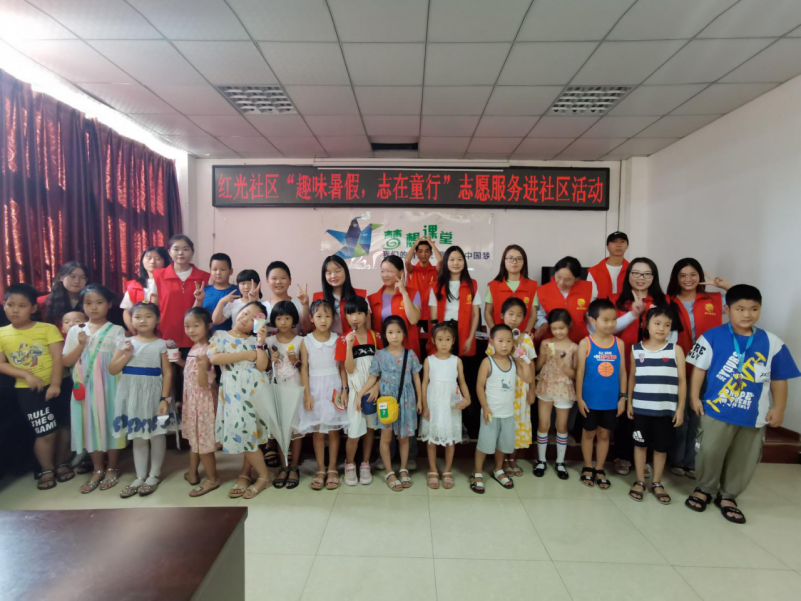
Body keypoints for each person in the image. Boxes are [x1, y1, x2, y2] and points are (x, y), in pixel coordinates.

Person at [684, 285, 800, 525]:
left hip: (753, 415)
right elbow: (699, 369)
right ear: (727, 309)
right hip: (716, 409)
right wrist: (694, 397)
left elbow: (779, 378)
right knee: (709, 451)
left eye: (754, 309)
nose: (747, 314)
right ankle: (704, 488)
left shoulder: (772, 342)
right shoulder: (711, 337)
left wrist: (779, 408)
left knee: (744, 458)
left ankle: (728, 496)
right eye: (740, 309)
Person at [612, 258, 680, 477]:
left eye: (647, 274)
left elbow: (673, 332)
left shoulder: (664, 300)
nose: (641, 278)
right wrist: (632, 312)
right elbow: (608, 328)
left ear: (654, 277)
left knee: (652, 415)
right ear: (628, 275)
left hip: (655, 368)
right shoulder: (616, 300)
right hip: (623, 363)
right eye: (636, 273)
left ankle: (647, 459)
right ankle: (622, 456)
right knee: (626, 413)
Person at [0, 284, 70, 490]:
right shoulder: (2, 334)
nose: (15, 310)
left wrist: (55, 384)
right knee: (45, 431)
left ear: (33, 308)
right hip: (27, 390)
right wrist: (25, 375)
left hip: (59, 385)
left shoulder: (47, 329)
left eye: (21, 306)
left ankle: (62, 463)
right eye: (10, 305)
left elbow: (58, 357)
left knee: (64, 427)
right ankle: (46, 468)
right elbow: (1, 363)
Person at [665, 258, 731, 478]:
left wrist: (726, 286)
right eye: (683, 275)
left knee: (699, 416)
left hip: (708, 367)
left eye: (693, 274)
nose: (688, 279)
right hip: (678, 366)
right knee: (680, 415)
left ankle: (692, 461)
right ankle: (676, 459)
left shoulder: (713, 299)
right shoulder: (668, 301)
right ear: (676, 278)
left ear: (700, 277)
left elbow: (742, 302)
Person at [62, 284, 126, 494]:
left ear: (109, 305)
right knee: (89, 425)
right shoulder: (75, 331)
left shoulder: (117, 330)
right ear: (82, 305)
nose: (94, 307)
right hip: (84, 387)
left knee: (110, 423)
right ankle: (97, 468)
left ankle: (112, 467)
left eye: (99, 302)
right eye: (88, 303)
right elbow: (66, 361)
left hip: (110, 387)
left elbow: (118, 363)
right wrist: (80, 345)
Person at [110, 301, 175, 498]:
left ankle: (154, 474)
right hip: (131, 394)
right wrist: (126, 355)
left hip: (154, 394)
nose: (142, 320)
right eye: (137, 317)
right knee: (137, 436)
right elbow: (112, 369)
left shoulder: (162, 344)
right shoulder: (125, 343)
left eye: (148, 316)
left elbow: (168, 373)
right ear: (131, 319)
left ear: (157, 319)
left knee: (156, 434)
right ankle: (140, 476)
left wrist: (164, 399)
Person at [210, 301, 272, 500]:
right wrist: (246, 354)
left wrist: (260, 342)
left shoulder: (256, 340)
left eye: (253, 319)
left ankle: (252, 475)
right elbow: (215, 358)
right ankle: (262, 476)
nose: (246, 319)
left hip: (256, 392)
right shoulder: (220, 335)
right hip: (234, 393)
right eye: (245, 313)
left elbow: (262, 365)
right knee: (244, 432)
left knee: (250, 433)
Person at [626, 307, 686, 504]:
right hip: (641, 408)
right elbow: (632, 377)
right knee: (640, 445)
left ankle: (657, 482)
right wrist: (629, 402)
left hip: (665, 410)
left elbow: (682, 381)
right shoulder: (636, 349)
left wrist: (680, 408)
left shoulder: (675, 350)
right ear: (646, 325)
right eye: (657, 323)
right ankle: (640, 481)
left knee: (661, 448)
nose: (662, 328)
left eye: (667, 325)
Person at [358, 316, 423, 492]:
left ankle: (403, 469)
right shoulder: (380, 355)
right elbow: (373, 377)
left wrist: (420, 400)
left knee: (404, 438)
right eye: (391, 332)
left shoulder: (410, 354)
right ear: (385, 335)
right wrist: (360, 394)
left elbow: (417, 378)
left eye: (398, 332)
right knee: (385, 437)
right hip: (386, 401)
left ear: (404, 333)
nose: (395, 336)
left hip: (407, 400)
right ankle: (389, 472)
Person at [471, 324, 533, 494]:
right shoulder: (487, 362)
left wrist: (524, 362)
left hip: (508, 414)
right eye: (500, 341)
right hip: (491, 413)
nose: (505, 345)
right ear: (492, 341)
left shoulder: (514, 362)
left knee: (502, 445)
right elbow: (479, 386)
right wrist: (485, 407)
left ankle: (498, 469)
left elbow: (528, 379)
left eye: (508, 341)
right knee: (484, 444)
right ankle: (477, 472)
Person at [576, 299, 626, 490]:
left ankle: (599, 468)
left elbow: (623, 373)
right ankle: (588, 466)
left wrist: (623, 397)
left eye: (614, 319)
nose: (611, 324)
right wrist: (580, 398)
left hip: (610, 401)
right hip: (590, 400)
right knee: (588, 433)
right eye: (606, 320)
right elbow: (580, 372)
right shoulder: (585, 343)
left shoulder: (619, 343)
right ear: (592, 320)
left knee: (604, 434)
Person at [300, 300, 348, 491]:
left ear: (333, 318)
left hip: (334, 388)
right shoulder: (306, 341)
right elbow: (304, 368)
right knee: (318, 431)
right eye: (319, 316)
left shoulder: (338, 339)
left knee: (334, 430)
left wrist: (344, 389)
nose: (323, 320)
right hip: (315, 389)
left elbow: (342, 367)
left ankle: (333, 468)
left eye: (327, 316)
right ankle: (320, 469)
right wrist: (307, 394)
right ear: (311, 318)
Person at [486, 298, 537, 478]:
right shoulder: (495, 339)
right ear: (502, 315)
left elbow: (531, 365)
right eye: (511, 314)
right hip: (501, 390)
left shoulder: (526, 339)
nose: (514, 319)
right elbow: (489, 364)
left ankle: (512, 459)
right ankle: (500, 461)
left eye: (519, 315)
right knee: (502, 425)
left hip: (521, 390)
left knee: (517, 423)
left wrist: (532, 390)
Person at [420, 322, 470, 490]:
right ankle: (433, 469)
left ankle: (447, 470)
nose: (443, 343)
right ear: (433, 340)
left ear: (453, 341)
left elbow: (462, 382)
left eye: (447, 339)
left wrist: (467, 398)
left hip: (451, 403)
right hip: (434, 403)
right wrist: (425, 406)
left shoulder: (457, 361)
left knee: (450, 439)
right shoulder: (429, 361)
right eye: (440, 339)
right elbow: (424, 384)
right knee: (432, 438)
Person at [337, 296, 381, 487]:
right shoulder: (343, 339)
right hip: (355, 391)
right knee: (354, 432)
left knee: (370, 429)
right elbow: (348, 368)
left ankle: (365, 464)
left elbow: (381, 364)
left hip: (372, 390)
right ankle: (349, 465)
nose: (355, 317)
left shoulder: (376, 336)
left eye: (359, 313)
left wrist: (377, 386)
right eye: (351, 313)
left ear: (366, 314)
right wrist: (349, 345)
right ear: (345, 316)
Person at [176, 308, 219, 497]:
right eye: (187, 326)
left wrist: (202, 367)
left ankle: (212, 478)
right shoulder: (194, 348)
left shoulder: (209, 350)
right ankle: (192, 473)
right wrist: (180, 361)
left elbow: (203, 383)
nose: (191, 330)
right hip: (192, 402)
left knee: (203, 444)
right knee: (196, 440)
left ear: (208, 326)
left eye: (196, 325)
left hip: (203, 403)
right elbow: (191, 371)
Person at [534, 309, 578, 480]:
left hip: (564, 389)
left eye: (561, 328)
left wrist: (563, 365)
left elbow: (575, 374)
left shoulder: (574, 347)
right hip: (546, 386)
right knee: (543, 424)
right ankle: (541, 460)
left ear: (569, 326)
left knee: (561, 426)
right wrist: (544, 357)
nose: (558, 332)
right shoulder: (545, 343)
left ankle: (560, 462)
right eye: (554, 329)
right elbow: (537, 367)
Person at [266, 300, 304, 490]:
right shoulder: (269, 342)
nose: (283, 322)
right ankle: (284, 466)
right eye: (279, 318)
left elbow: (305, 368)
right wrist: (269, 361)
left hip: (295, 388)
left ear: (294, 320)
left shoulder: (300, 341)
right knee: (281, 429)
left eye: (287, 318)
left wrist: (295, 360)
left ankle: (294, 466)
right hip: (276, 390)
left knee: (295, 429)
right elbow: (263, 368)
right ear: (274, 320)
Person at [152, 235, 210, 351]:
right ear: (169, 252)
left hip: (195, 335)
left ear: (192, 252)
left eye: (185, 249)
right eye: (176, 249)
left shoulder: (204, 277)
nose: (180, 253)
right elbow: (153, 307)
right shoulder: (158, 276)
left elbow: (206, 307)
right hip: (165, 333)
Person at [429, 245, 481, 357]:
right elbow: (434, 317)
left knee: (463, 363)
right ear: (446, 262)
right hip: (443, 331)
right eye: (452, 260)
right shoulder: (436, 286)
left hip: (464, 331)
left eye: (460, 259)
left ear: (464, 262)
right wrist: (436, 338)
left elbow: (475, 314)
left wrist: (470, 338)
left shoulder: (472, 285)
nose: (456, 263)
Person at [534, 256, 595, 344]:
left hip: (580, 342)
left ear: (576, 279)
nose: (561, 283)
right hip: (551, 343)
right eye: (558, 277)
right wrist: (543, 323)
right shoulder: (542, 291)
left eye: (567, 280)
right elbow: (539, 314)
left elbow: (591, 317)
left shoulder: (588, 290)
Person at [368, 255, 422, 354]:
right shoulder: (372, 298)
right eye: (382, 271)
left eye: (389, 271)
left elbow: (414, 320)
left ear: (401, 272)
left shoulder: (413, 293)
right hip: (382, 352)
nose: (385, 275)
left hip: (408, 352)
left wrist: (404, 293)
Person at [484, 245, 538, 332]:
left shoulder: (532, 286)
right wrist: (496, 332)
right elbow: (487, 312)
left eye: (519, 259)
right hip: (499, 337)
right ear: (504, 261)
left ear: (524, 262)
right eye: (510, 258)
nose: (514, 262)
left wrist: (525, 333)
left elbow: (533, 314)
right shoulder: (493, 286)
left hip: (522, 336)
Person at [313, 255, 367, 335]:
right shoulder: (318, 299)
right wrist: (305, 305)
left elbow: (367, 325)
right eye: (329, 273)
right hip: (329, 341)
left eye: (337, 271)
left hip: (355, 340)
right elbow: (311, 327)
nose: (333, 276)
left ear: (345, 271)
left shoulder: (360, 295)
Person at [122, 247, 170, 333]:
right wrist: (134, 331)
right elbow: (127, 311)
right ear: (142, 261)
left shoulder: (171, 284)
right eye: (149, 258)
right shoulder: (134, 285)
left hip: (166, 330)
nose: (152, 262)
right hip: (140, 331)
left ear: (165, 262)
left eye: (158, 259)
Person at [405, 236, 442, 348]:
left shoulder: (435, 270)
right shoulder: (412, 270)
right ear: (416, 253)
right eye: (420, 251)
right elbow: (407, 261)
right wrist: (415, 244)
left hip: (431, 314)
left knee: (433, 344)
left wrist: (432, 244)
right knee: (413, 344)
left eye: (427, 251)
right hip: (415, 312)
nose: (423, 254)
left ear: (431, 253)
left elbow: (441, 260)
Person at [193, 253, 237, 334]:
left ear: (231, 271)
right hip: (207, 338)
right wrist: (199, 300)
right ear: (210, 271)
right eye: (214, 269)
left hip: (230, 338)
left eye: (223, 269)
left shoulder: (237, 291)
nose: (218, 273)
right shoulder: (204, 291)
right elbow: (195, 316)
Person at [37, 261, 89, 329]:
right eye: (72, 276)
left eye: (82, 277)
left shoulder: (91, 301)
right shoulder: (42, 302)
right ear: (61, 277)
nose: (77, 281)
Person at [264, 261, 311, 334]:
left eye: (283, 278)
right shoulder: (263, 307)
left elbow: (307, 330)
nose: (278, 282)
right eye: (274, 278)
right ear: (267, 282)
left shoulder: (299, 304)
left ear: (290, 281)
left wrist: (305, 305)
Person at [587, 232, 629, 300]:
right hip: (602, 306)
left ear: (627, 246)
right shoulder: (594, 271)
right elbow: (591, 299)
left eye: (622, 242)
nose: (618, 245)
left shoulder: (632, 270)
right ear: (607, 246)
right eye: (614, 242)